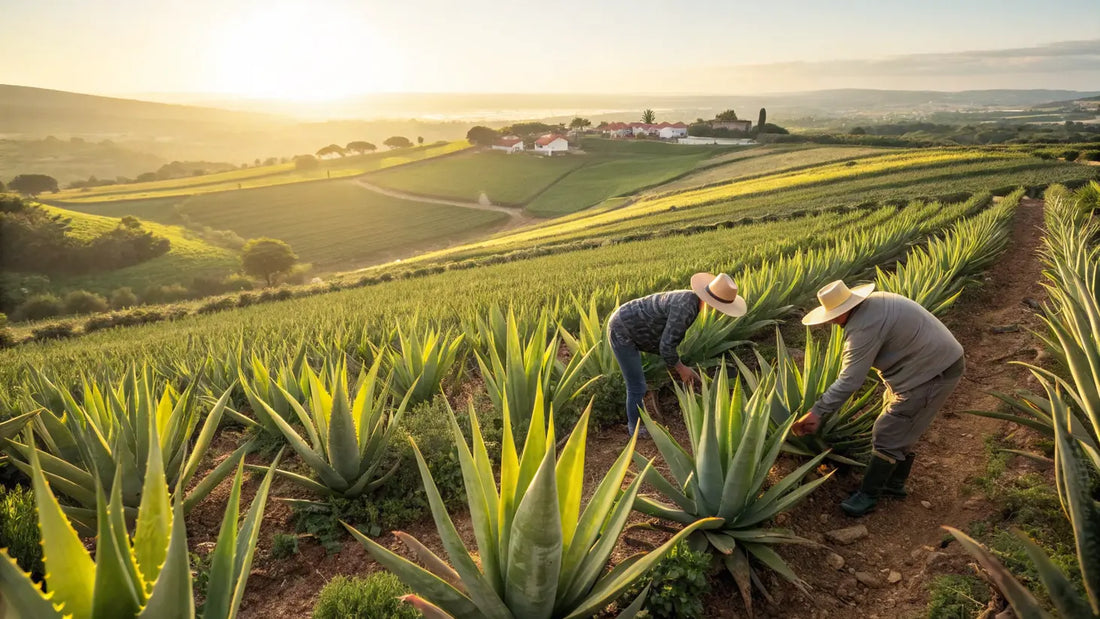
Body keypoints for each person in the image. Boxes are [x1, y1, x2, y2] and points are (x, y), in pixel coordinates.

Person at [792, 280, 965, 517]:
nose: (830, 321)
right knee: (899, 423)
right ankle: (893, 484)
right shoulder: (876, 302)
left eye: (832, 316)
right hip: (924, 365)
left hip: (932, 373)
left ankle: (869, 495)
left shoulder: (864, 327)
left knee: (887, 431)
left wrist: (818, 411)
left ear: (844, 311)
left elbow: (850, 379)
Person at [607, 273, 747, 437]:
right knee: (637, 386)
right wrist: (681, 369)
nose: (719, 313)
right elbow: (666, 347)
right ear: (711, 303)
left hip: (633, 327)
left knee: (641, 383)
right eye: (719, 308)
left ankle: (640, 420)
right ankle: (635, 429)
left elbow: (667, 345)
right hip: (622, 330)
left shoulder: (691, 301)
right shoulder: (686, 309)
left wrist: (680, 367)